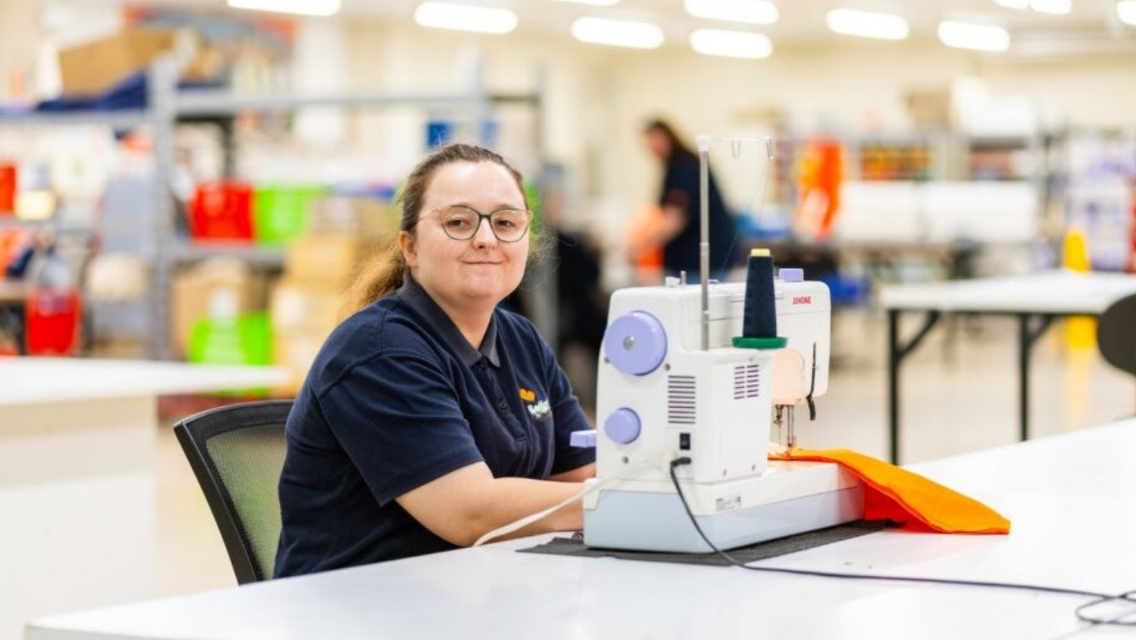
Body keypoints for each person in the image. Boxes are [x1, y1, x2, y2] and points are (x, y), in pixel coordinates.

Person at [274, 143, 596, 577]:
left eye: (505, 222)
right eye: (458, 222)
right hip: (364, 612)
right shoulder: (380, 351)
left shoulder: (520, 338)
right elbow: (469, 513)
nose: (486, 238)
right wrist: (622, 497)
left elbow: (578, 475)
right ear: (410, 247)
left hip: (480, 593)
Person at [634, 118, 737, 280]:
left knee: (697, 303)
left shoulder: (683, 168)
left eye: (650, 142)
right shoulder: (680, 165)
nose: (649, 149)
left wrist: (638, 248)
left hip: (702, 262)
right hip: (699, 258)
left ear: (664, 138)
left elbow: (675, 219)